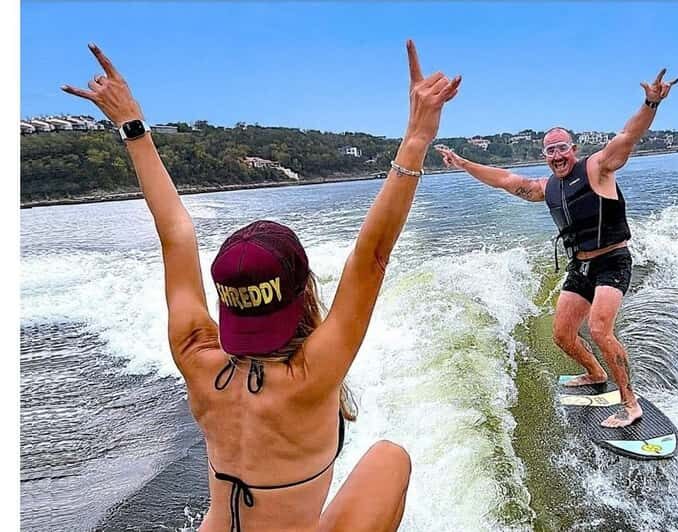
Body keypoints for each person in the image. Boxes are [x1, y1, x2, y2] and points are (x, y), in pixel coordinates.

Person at [63, 40, 461, 531]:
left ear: (226, 304)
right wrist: (417, 136)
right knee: (390, 458)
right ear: (303, 291)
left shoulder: (196, 356)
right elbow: (372, 256)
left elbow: (175, 234)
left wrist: (132, 125)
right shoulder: (310, 376)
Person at [435, 70, 678, 428]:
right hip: (580, 267)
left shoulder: (598, 168)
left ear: (573, 150)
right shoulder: (545, 188)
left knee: (599, 329)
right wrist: (462, 163)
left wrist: (651, 103)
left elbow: (628, 135)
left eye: (562, 147)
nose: (557, 154)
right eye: (550, 150)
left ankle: (630, 402)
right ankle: (595, 373)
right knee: (563, 334)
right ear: (545, 156)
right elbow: (503, 180)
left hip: (612, 261)